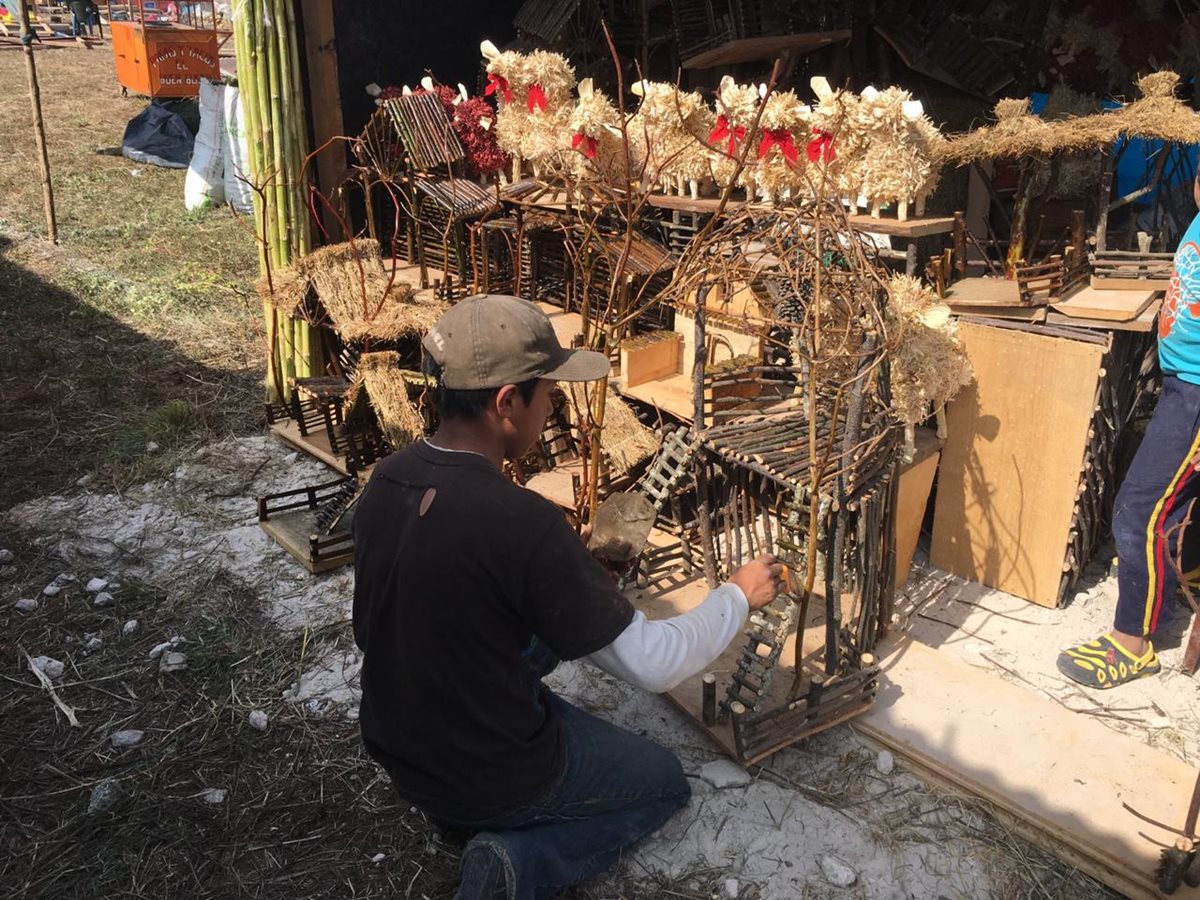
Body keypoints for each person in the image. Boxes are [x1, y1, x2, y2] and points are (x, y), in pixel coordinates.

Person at [353, 295, 783, 899]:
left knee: (526, 634)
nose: (553, 405)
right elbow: (654, 665)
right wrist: (737, 595)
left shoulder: (386, 480)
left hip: (400, 747)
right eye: (547, 392)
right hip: (483, 770)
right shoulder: (519, 521)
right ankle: (513, 862)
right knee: (662, 782)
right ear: (507, 404)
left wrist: (567, 571)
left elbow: (418, 609)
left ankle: (469, 810)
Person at [1057, 173, 1200, 689]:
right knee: (1172, 503)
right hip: (1182, 384)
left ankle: (1132, 643)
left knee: (1138, 510)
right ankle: (1179, 581)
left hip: (1195, 398)